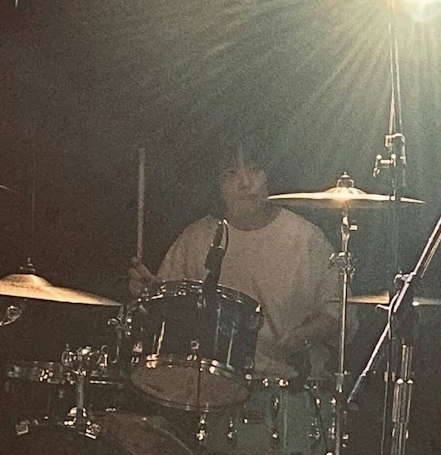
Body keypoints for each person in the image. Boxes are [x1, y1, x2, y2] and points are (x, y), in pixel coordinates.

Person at [128, 144, 341, 379]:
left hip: (286, 383)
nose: (245, 183)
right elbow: (165, 312)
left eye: (254, 170)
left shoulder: (307, 239)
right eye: (231, 174)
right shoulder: (195, 239)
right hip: (210, 385)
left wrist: (300, 338)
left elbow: (339, 313)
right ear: (217, 185)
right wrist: (150, 293)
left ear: (269, 177)